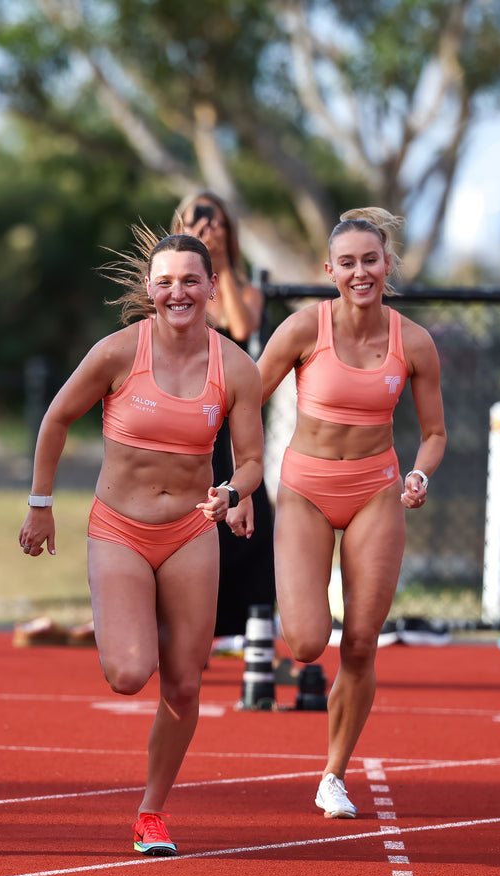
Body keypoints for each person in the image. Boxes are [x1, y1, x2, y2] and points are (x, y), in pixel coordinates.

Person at [18, 228, 264, 856]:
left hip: (190, 533)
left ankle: (152, 812)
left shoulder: (234, 366)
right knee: (130, 674)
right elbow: (55, 419)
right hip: (120, 528)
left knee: (184, 684)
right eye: (166, 281)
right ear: (149, 288)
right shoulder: (118, 352)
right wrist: (40, 504)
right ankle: (138, 613)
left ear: (211, 287)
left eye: (190, 280)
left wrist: (231, 494)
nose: (177, 291)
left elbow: (252, 461)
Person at [233, 208, 445, 819]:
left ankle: (333, 773)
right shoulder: (303, 329)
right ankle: (305, 651)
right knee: (303, 642)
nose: (360, 273)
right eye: (347, 263)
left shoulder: (415, 342)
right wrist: (244, 483)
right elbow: (246, 395)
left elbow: (434, 432)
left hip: (376, 490)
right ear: (330, 270)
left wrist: (420, 472)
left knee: (359, 643)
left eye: (370, 261)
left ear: (387, 266)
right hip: (303, 489)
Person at [171, 191, 276, 640]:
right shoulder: (172, 287)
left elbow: (240, 324)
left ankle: (245, 629)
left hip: (232, 419)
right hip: (182, 419)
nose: (206, 226)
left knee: (250, 517)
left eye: (215, 222)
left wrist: (217, 265)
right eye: (196, 220)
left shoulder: (242, 285)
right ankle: (179, 625)